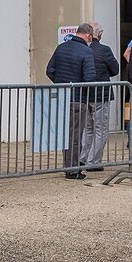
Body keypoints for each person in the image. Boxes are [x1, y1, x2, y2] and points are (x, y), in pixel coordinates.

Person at [46, 22, 96, 179]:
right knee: (75, 135)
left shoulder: (61, 47)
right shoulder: (86, 51)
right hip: (77, 98)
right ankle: (73, 169)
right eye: (91, 37)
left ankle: (68, 165)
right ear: (88, 35)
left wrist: (60, 83)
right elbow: (89, 77)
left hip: (62, 97)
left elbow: (50, 70)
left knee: (65, 134)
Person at [80, 21, 120, 172]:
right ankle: (94, 161)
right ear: (99, 34)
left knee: (87, 128)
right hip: (100, 93)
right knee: (100, 129)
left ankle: (82, 158)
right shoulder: (104, 50)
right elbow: (115, 69)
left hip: (84, 94)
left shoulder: (81, 49)